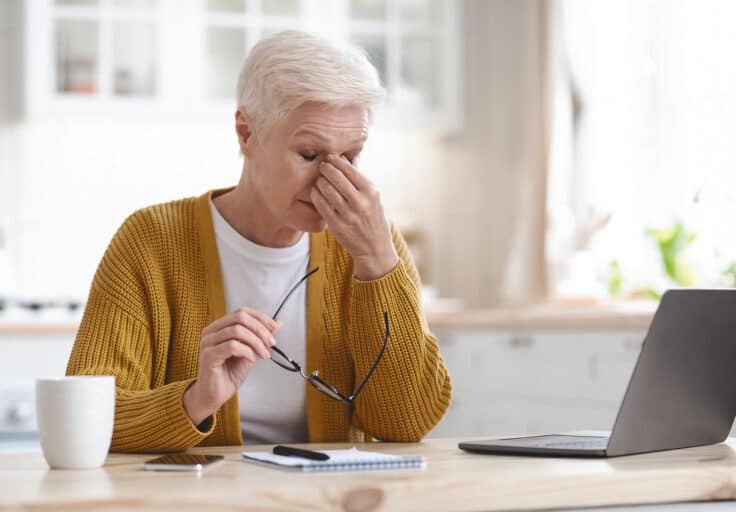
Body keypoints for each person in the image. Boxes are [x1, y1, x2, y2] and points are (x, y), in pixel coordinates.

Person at [66, 30, 452, 452]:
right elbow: (85, 419)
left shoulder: (372, 244)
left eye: (351, 157)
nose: (333, 181)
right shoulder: (151, 240)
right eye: (310, 154)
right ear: (246, 132)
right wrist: (196, 400)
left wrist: (378, 263)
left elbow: (406, 423)